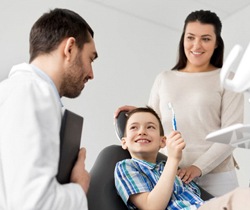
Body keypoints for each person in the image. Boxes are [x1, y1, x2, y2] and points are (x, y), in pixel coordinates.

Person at [114, 10, 244, 196]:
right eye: (190, 37)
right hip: (172, 174)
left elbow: (232, 136)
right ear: (183, 39)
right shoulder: (164, 79)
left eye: (206, 39)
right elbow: (157, 125)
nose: (196, 45)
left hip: (218, 178)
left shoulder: (228, 80)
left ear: (216, 43)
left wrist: (197, 167)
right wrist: (140, 114)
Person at [0, 8, 98, 209]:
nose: (91, 73)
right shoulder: (34, 93)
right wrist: (79, 187)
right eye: (90, 58)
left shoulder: (14, 90)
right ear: (70, 48)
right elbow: (34, 203)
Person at [114, 106, 250, 210]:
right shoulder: (126, 167)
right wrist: (173, 159)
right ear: (124, 142)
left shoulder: (169, 169)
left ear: (163, 141)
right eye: (134, 127)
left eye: (150, 127)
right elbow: (152, 207)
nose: (142, 131)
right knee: (242, 197)